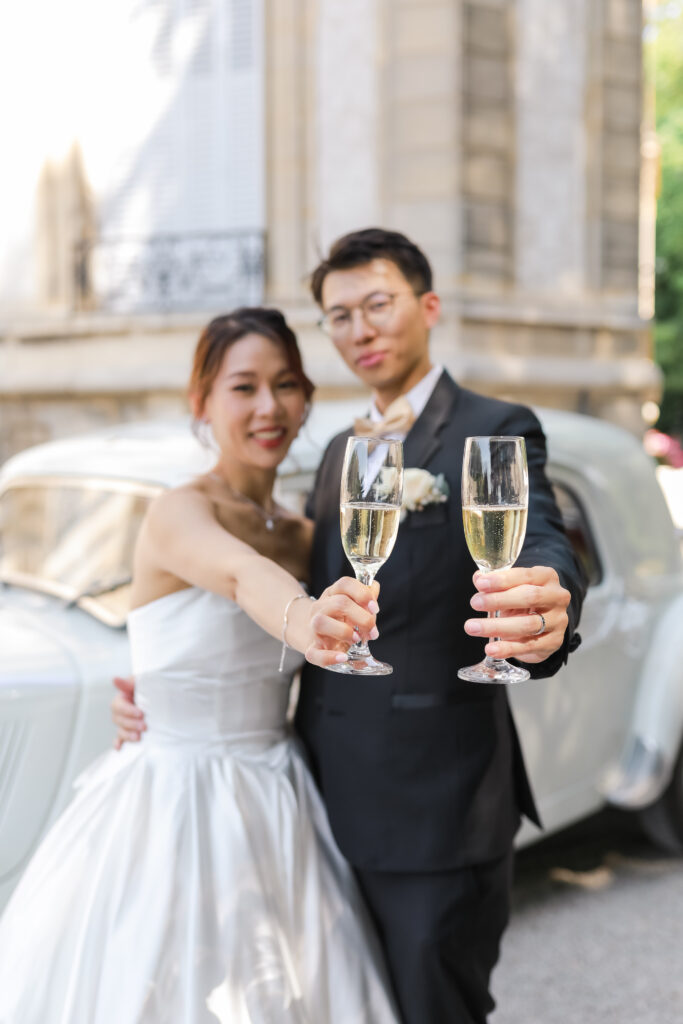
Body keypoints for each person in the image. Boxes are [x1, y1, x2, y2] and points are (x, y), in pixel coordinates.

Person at [114, 229, 587, 1024]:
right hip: (309, 805)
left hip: (434, 814)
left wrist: (547, 603)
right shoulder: (339, 453)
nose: (359, 329)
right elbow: (250, 598)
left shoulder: (493, 424)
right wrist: (150, 691)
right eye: (339, 316)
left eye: (377, 304)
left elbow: (539, 540)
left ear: (426, 306)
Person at [0, 307, 400, 1024]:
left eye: (285, 385)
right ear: (202, 403)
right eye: (242, 387)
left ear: (305, 398)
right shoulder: (176, 512)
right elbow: (243, 575)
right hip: (171, 797)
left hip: (280, 795)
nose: (268, 407)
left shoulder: (310, 532)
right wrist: (308, 619)